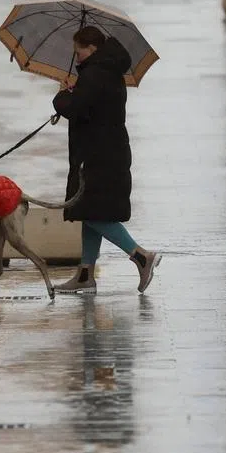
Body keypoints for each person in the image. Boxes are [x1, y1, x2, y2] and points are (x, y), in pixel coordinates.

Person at [51, 25, 160, 294]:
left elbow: (76, 109)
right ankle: (85, 275)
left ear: (93, 49)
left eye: (79, 52)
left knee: (92, 212)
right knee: (90, 212)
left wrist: (62, 96)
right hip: (109, 151)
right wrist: (77, 88)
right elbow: (92, 107)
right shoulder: (107, 71)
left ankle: (141, 256)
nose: (76, 58)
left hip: (97, 154)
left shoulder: (95, 74)